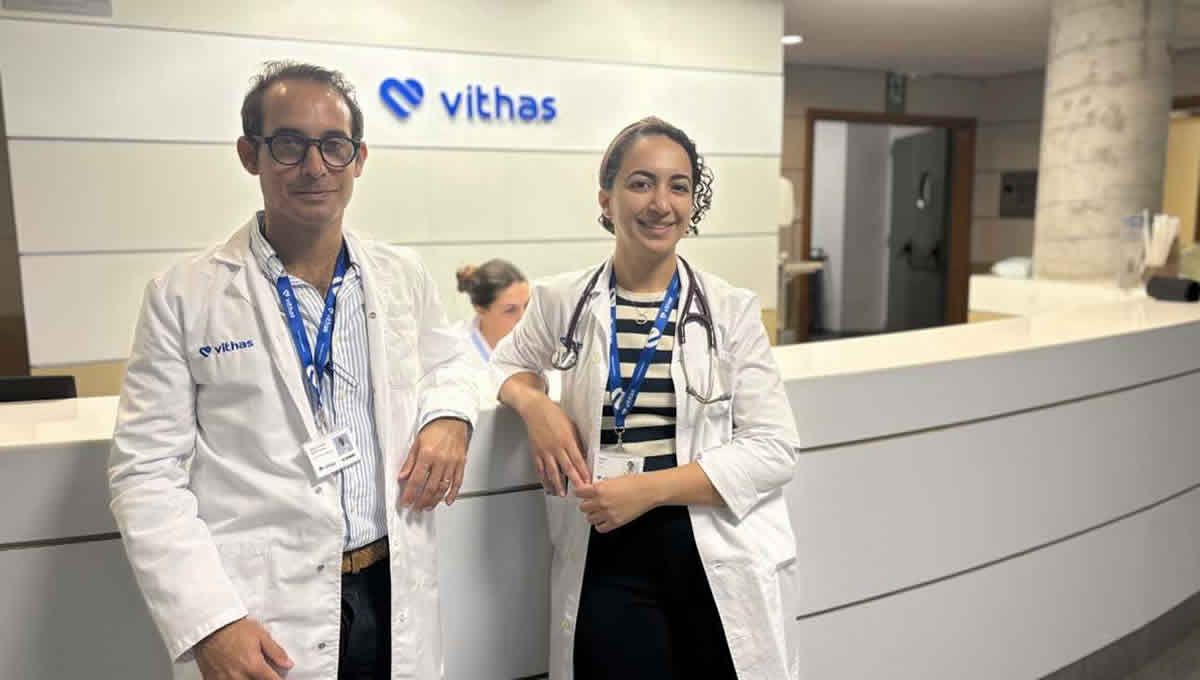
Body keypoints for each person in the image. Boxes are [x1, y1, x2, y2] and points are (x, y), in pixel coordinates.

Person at [107, 61, 478, 680]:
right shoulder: (184, 295)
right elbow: (145, 474)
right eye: (288, 144)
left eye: (334, 146)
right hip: (262, 609)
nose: (314, 167)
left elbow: (452, 362)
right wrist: (210, 621)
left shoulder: (400, 274)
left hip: (394, 589)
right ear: (249, 154)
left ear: (359, 159)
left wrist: (450, 418)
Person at [492, 117, 802, 680]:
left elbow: (775, 448)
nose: (661, 203)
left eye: (678, 186)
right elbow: (505, 364)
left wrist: (648, 491)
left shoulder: (730, 311)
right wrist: (536, 405)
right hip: (606, 554)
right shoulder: (562, 300)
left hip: (710, 551)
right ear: (606, 198)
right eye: (641, 183)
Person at [454, 259, 530, 369]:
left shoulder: (541, 346)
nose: (524, 319)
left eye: (527, 306)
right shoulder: (453, 357)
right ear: (480, 309)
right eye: (510, 310)